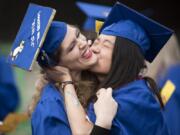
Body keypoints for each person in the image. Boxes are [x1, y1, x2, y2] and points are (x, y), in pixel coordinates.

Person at [45, 2, 173, 135]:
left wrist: (66, 81)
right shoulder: (116, 89)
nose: (93, 48)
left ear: (124, 58)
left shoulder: (133, 98)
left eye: (105, 45)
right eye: (97, 41)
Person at [7, 3, 118, 135]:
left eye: (78, 35)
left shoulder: (93, 77)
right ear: (57, 65)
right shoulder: (50, 108)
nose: (82, 43)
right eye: (72, 47)